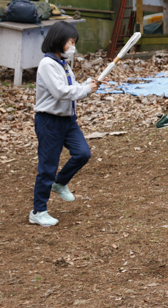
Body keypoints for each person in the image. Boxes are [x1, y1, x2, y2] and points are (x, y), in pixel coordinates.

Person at [31, 22, 101, 227]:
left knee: (83, 153)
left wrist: (88, 85)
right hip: (49, 121)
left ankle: (60, 183)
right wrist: (86, 89)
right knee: (47, 167)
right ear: (59, 41)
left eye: (74, 43)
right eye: (71, 42)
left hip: (68, 121)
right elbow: (61, 92)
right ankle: (38, 211)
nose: (73, 46)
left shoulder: (63, 64)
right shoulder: (47, 64)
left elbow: (73, 88)